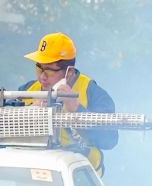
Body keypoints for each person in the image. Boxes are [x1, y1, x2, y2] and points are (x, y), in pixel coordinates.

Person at [20, 32, 118, 174]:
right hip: (35, 175)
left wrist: (77, 110)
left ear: (69, 72)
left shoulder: (92, 93)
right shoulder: (27, 91)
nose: (42, 77)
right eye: (39, 68)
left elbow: (110, 140)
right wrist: (29, 110)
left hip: (80, 183)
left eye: (49, 71)